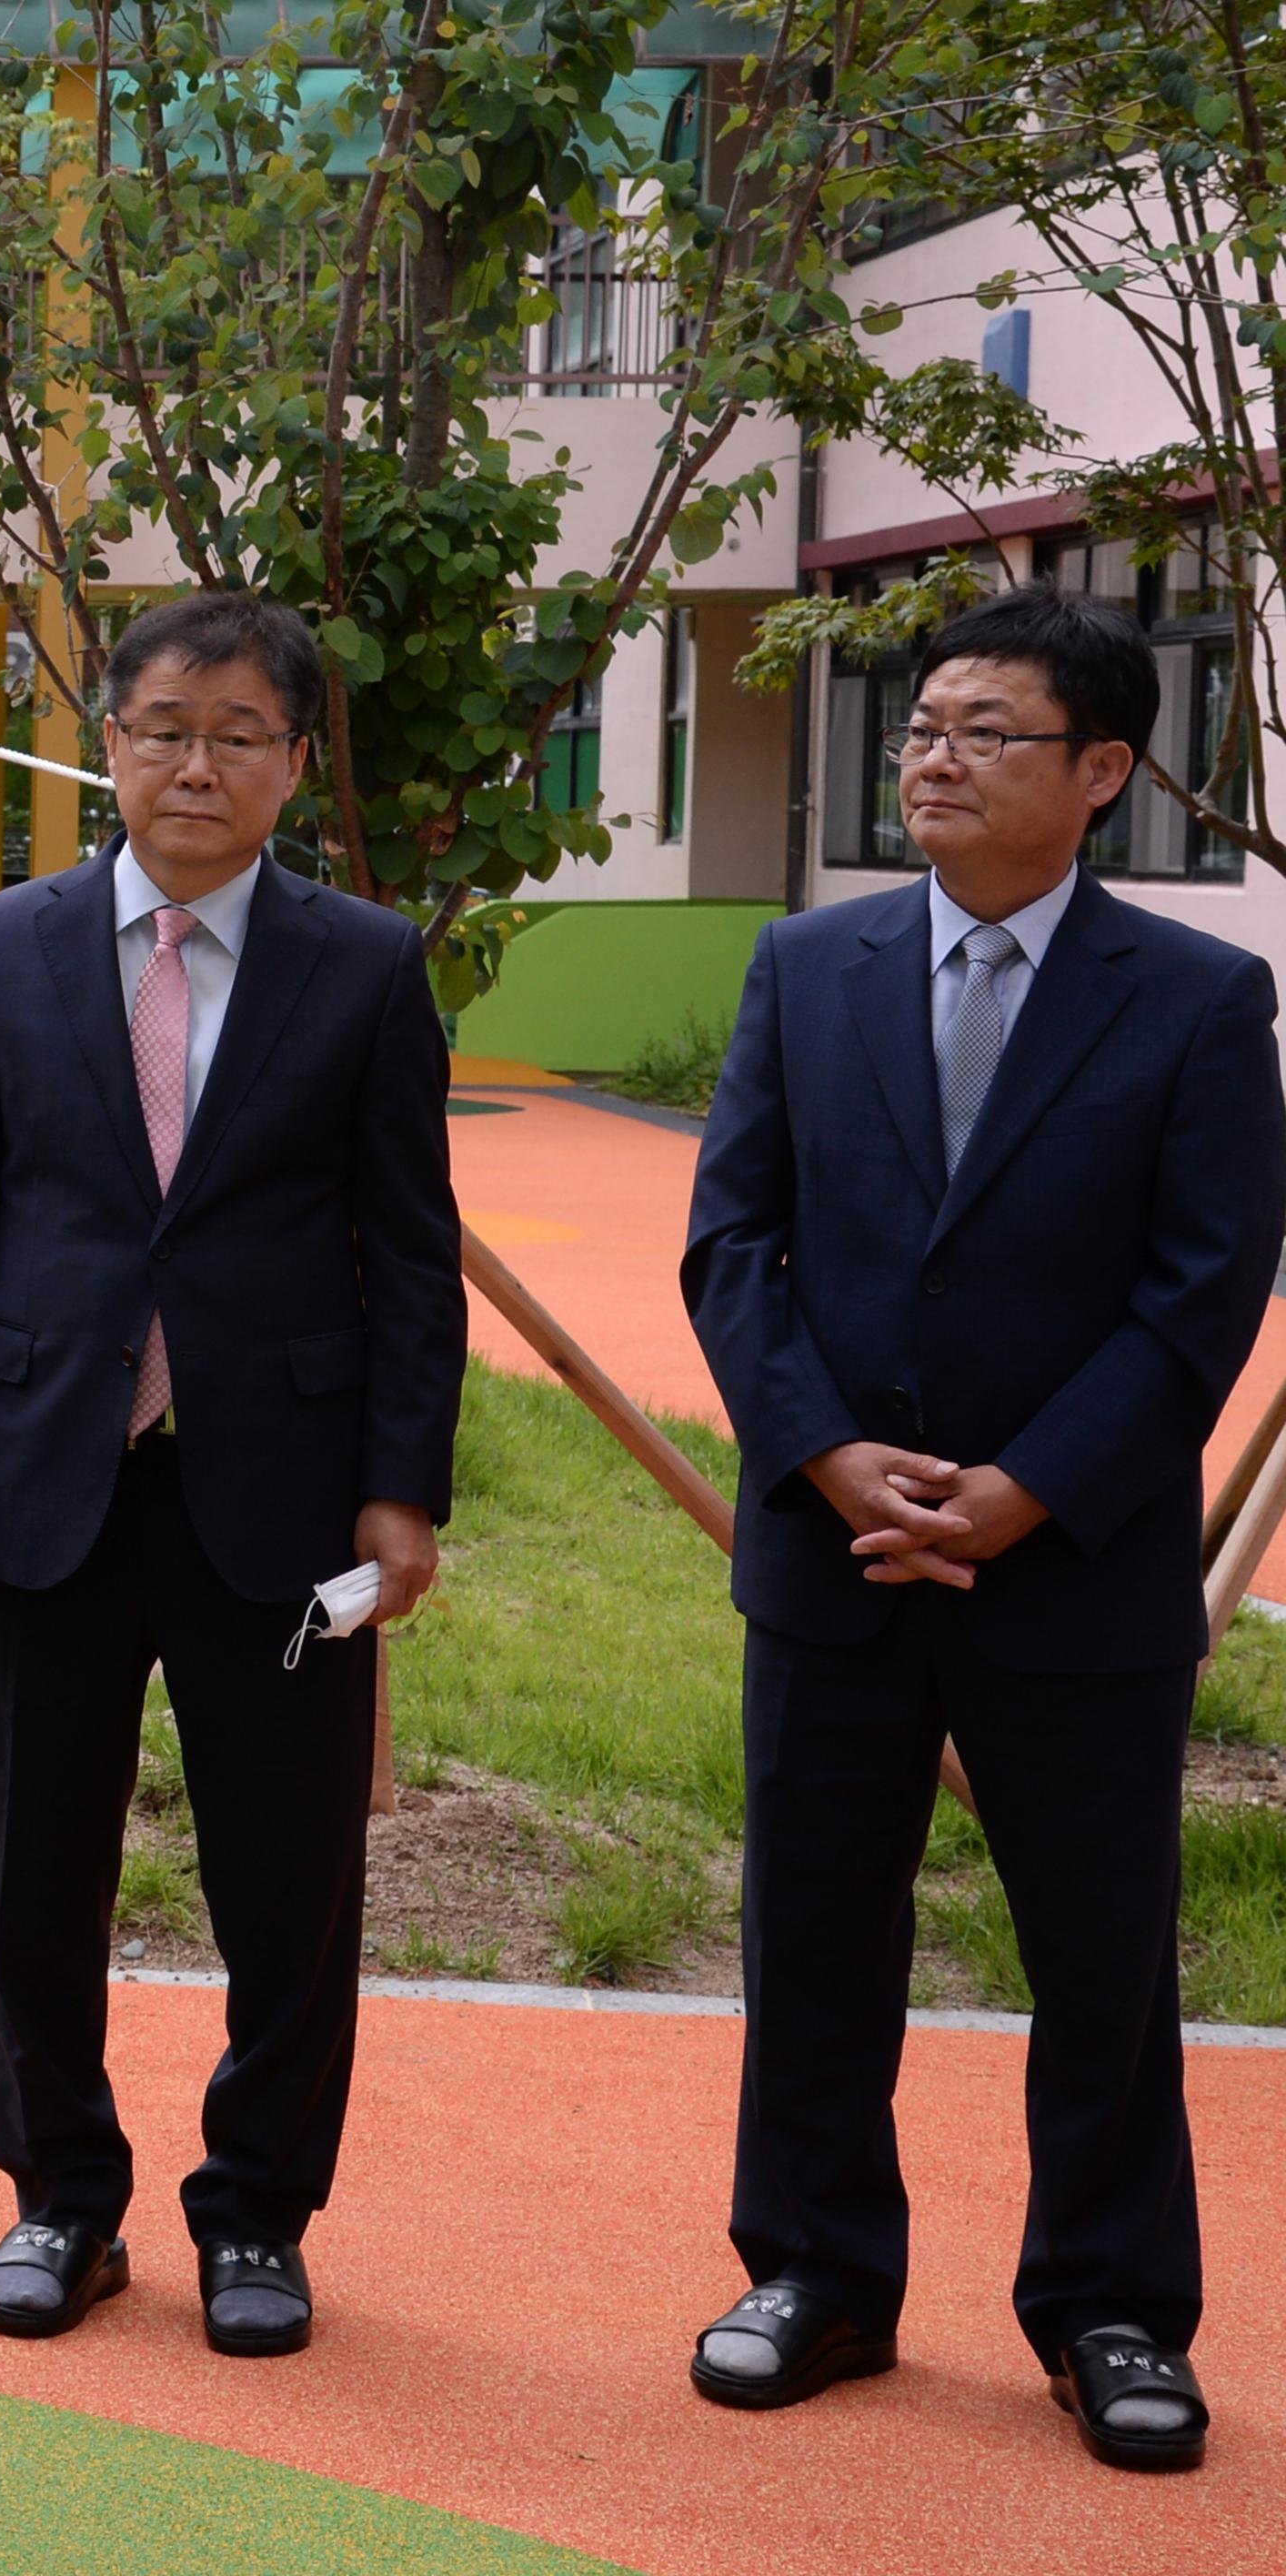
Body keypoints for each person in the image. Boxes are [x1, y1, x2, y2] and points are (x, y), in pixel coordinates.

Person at [678, 583, 1281, 2471]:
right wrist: (826, 1457)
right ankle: (816, 2273)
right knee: (813, 1937)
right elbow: (732, 1244)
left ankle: (1109, 2307)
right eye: (919, 725)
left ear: (1101, 772)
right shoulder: (809, 969)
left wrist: (1028, 1491)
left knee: (1099, 1958)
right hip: (833, 1553)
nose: (931, 756)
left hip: (1074, 1569)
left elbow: (1203, 1288)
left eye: (984, 731)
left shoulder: (1195, 997)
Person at [0, 589, 462, 2361]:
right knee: (37, 1865)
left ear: (290, 762)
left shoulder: (361, 965)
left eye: (232, 734)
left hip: (276, 1500)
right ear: (105, 745)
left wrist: (401, 1489)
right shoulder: (3, 948)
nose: (190, 763)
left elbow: (408, 1251)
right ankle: (58, 2199)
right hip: (42, 1474)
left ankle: (255, 2215)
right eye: (158, 727)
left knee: (285, 1878)